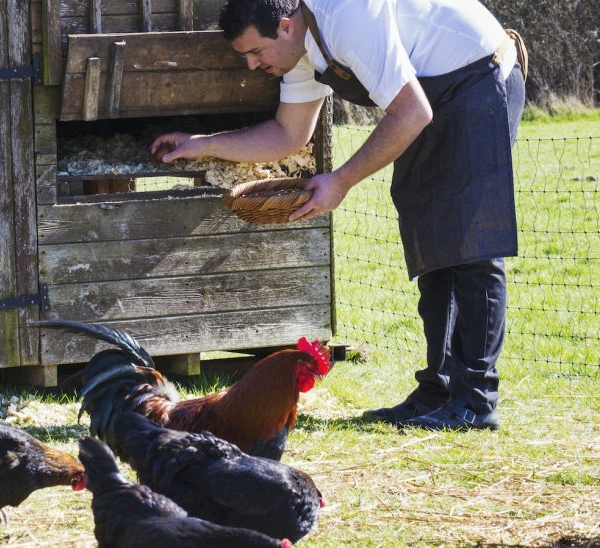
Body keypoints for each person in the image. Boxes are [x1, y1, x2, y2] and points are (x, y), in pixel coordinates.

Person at [152, 0, 524, 430]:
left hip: (479, 79)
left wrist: (341, 180)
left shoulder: (346, 17)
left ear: (285, 27)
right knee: (434, 241)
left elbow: (412, 112)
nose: (252, 65)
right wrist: (202, 143)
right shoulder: (299, 49)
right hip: (428, 99)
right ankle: (438, 390)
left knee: (472, 248)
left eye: (255, 51)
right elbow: (288, 134)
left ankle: (476, 400)